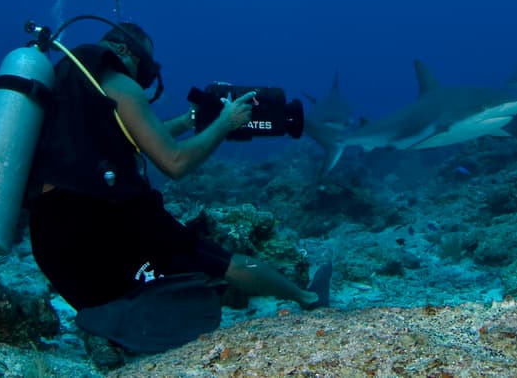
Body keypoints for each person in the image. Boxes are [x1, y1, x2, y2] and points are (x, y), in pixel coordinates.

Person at [24, 22, 330, 343]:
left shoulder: (64, 83)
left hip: (52, 244)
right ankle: (308, 298)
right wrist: (225, 124)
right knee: (214, 260)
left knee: (127, 286)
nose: (141, 82)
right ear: (125, 51)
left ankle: (115, 328)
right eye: (145, 71)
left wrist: (188, 121)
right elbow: (175, 163)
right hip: (100, 218)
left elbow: (131, 139)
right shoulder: (118, 83)